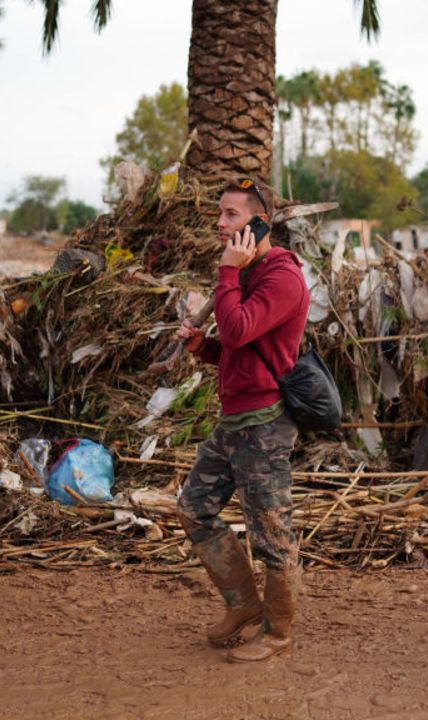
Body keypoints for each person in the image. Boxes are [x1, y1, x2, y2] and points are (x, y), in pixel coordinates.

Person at [173, 178, 310, 663]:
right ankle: (243, 604)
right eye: (220, 214)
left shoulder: (281, 277)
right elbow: (237, 346)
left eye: (230, 215)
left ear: (257, 223)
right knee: (193, 507)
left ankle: (278, 632)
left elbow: (237, 327)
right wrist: (201, 348)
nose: (219, 223)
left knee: (271, 531)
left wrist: (227, 273)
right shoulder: (249, 271)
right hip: (234, 420)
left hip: (264, 423)